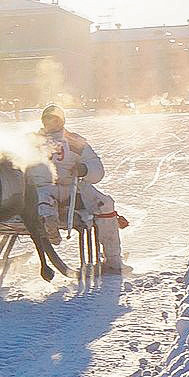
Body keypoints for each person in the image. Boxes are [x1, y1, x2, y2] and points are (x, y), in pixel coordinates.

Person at [34, 104, 124, 273]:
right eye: (47, 120)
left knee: (105, 204)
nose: (50, 124)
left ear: (61, 121)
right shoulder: (32, 140)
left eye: (54, 120)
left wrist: (84, 169)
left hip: (74, 188)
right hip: (44, 187)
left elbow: (97, 167)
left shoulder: (74, 140)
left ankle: (113, 259)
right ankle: (49, 223)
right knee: (42, 198)